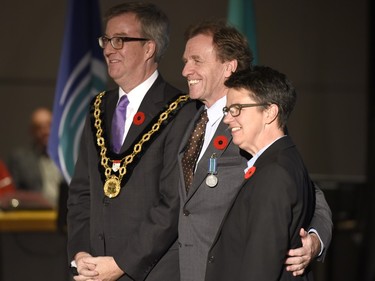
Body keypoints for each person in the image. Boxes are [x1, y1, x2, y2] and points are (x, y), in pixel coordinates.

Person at [177, 20, 332, 281]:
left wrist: (315, 241)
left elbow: (305, 191)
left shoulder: (254, 129)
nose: (185, 70)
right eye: (185, 60)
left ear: (229, 67)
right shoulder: (183, 118)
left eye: (196, 60)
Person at [66, 2, 197, 281]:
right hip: (92, 271)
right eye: (106, 40)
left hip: (149, 272)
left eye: (119, 40)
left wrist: (122, 263)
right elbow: (81, 193)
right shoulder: (98, 106)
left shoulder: (183, 111)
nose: (107, 49)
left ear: (149, 48)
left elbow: (173, 203)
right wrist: (80, 254)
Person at [205, 65, 315, 280]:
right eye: (228, 110)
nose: (228, 119)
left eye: (237, 108)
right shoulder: (281, 160)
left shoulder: (275, 173)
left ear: (270, 112)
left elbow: (260, 266)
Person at [7, 107, 64, 207]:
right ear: (32, 131)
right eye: (39, 127)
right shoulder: (20, 160)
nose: (45, 131)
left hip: (65, 216)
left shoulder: (66, 158)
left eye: (49, 125)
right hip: (35, 216)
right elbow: (12, 195)